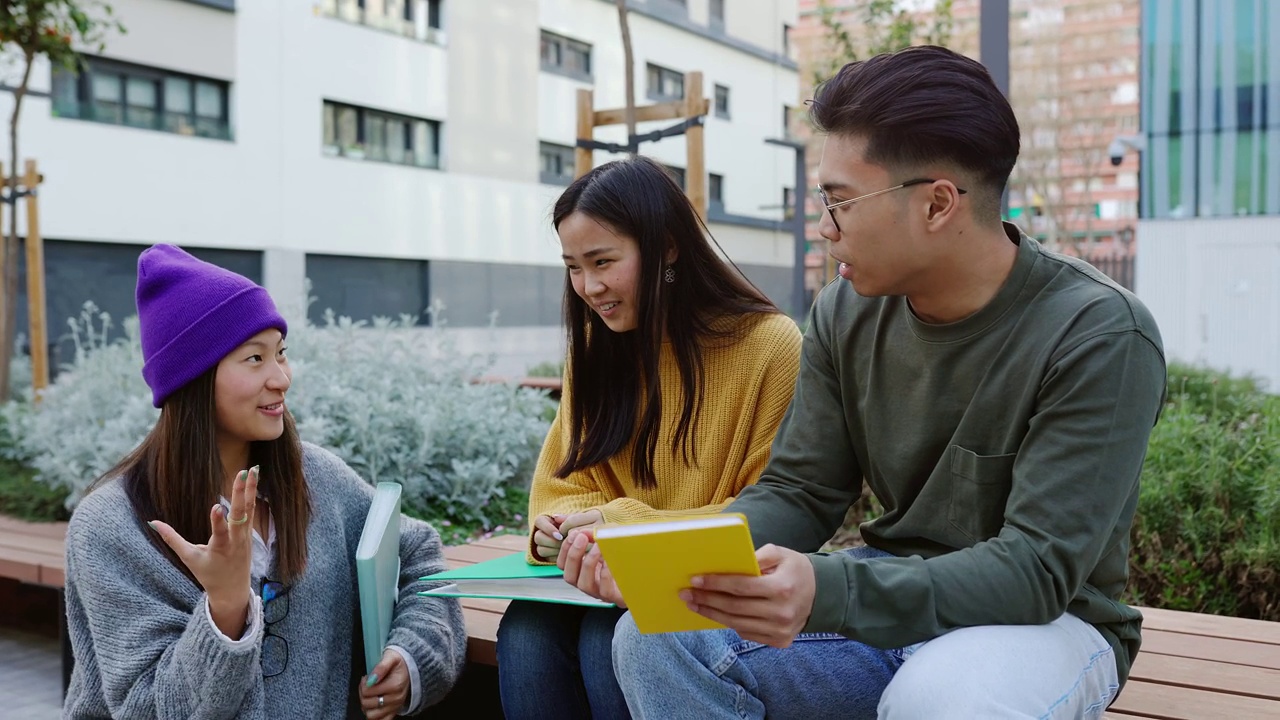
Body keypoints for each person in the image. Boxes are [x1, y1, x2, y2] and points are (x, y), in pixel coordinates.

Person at [561, 46, 1168, 719]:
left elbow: (1036, 571)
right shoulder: (847, 311)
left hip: (1051, 623)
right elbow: (801, 489)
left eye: (839, 203)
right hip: (888, 607)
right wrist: (671, 561)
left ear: (938, 204)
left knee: (937, 702)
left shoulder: (1099, 334)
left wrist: (828, 589)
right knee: (654, 637)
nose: (824, 229)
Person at [62, 245, 467, 719]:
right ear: (192, 379)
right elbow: (148, 709)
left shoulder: (318, 479)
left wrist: (412, 656)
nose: (281, 378)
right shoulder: (112, 527)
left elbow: (419, 553)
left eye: (281, 353)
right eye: (254, 359)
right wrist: (225, 608)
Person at [495, 155, 803, 719]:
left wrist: (622, 525)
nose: (589, 287)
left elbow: (775, 513)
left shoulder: (770, 346)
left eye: (603, 261)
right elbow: (558, 488)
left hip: (719, 592)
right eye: (572, 267)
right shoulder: (593, 351)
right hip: (604, 579)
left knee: (604, 640)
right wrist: (564, 529)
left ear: (666, 248)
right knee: (526, 628)